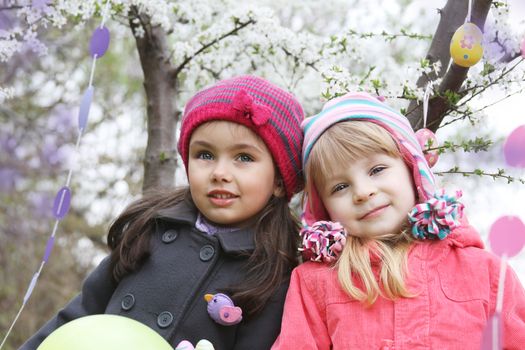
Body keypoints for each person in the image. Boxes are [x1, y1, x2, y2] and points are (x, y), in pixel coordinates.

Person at [21, 75, 305, 350]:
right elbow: (78, 315)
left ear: (279, 181)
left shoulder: (273, 271)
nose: (220, 173)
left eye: (244, 158)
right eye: (205, 155)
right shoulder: (151, 227)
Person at [272, 92, 525, 349]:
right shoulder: (316, 284)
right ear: (324, 208)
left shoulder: (485, 272)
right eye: (339, 187)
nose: (362, 192)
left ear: (411, 168)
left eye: (377, 170)